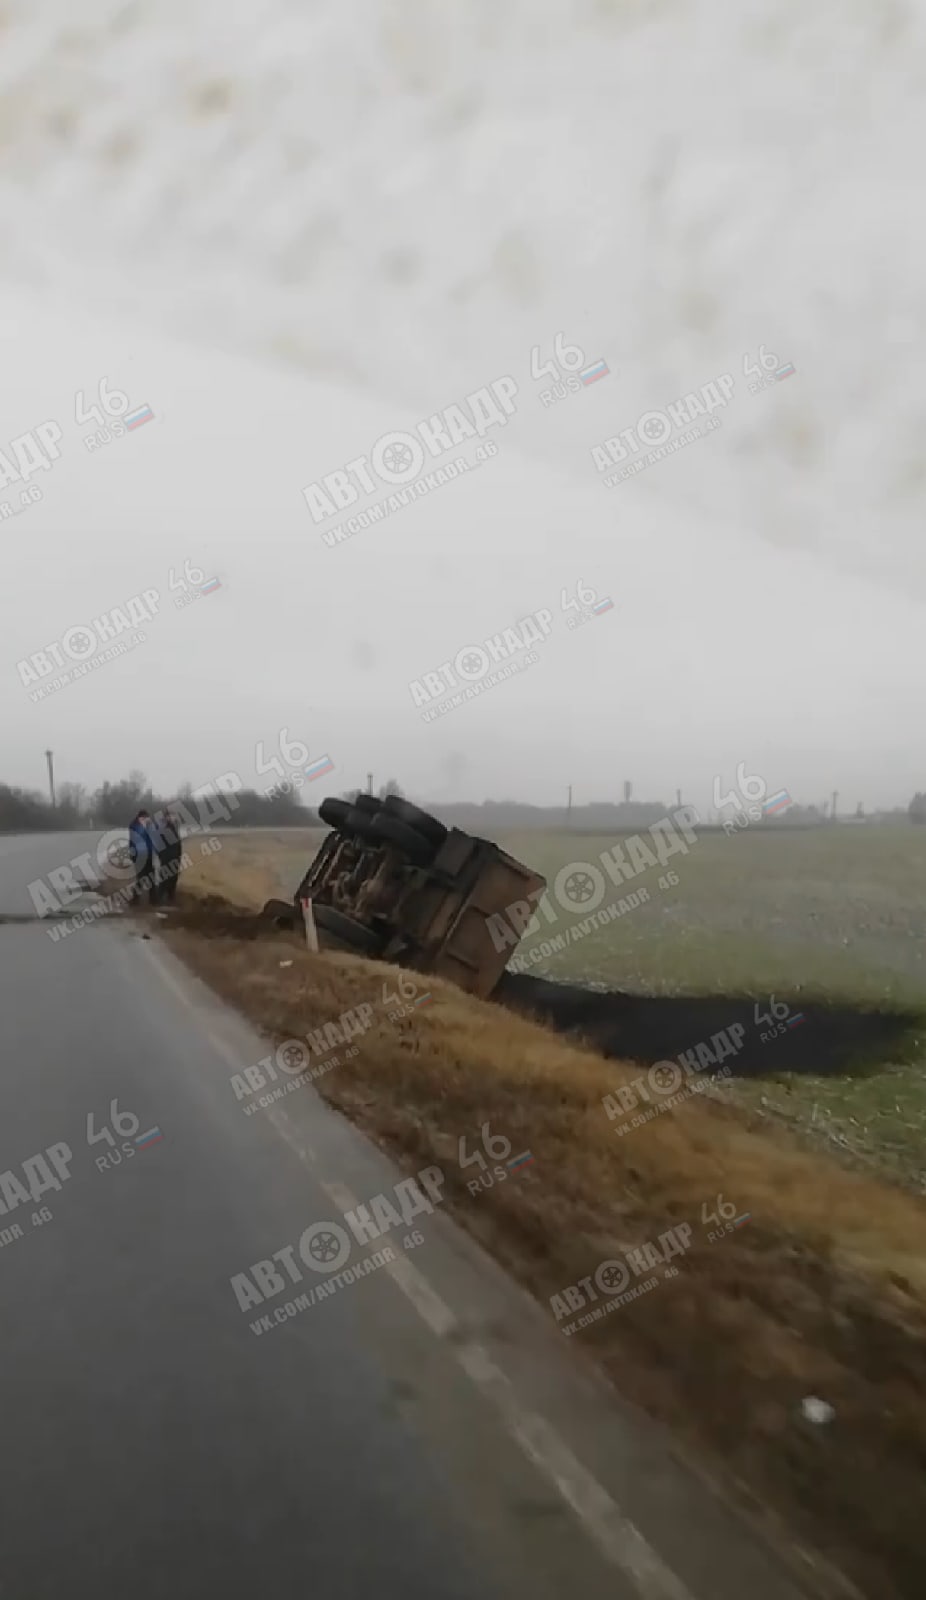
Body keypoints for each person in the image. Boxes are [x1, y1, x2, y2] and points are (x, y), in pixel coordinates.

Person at [127, 809, 157, 906]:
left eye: (146, 818)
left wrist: (150, 825)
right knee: (141, 878)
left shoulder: (149, 826)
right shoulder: (134, 827)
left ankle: (153, 900)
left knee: (152, 877)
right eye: (142, 818)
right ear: (138, 818)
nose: (144, 820)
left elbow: (155, 834)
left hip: (148, 855)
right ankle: (135, 899)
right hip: (139, 856)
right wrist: (144, 827)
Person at [155, 807, 183, 904]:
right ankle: (159, 899)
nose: (173, 817)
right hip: (166, 857)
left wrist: (179, 855)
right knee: (165, 878)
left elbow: (178, 843)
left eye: (174, 815)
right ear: (166, 817)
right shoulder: (162, 828)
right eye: (171, 815)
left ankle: (171, 897)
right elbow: (158, 844)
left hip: (175, 856)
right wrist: (162, 856)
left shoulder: (174, 827)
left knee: (173, 878)